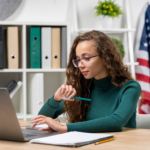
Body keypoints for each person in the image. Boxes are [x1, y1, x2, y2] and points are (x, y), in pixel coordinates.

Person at [31, 30, 141, 133]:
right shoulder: (82, 87)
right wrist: (55, 98)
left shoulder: (130, 87)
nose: (80, 65)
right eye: (78, 59)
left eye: (86, 58)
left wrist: (65, 127)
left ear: (106, 57)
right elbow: (41, 118)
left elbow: (117, 121)